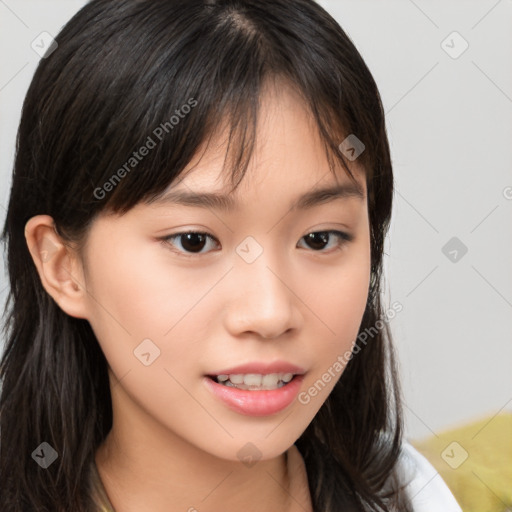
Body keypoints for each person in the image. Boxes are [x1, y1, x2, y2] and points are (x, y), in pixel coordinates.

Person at [0, 0, 463, 510]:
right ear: (64, 267)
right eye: (194, 240)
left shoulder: (411, 495)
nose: (270, 313)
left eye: (319, 238)